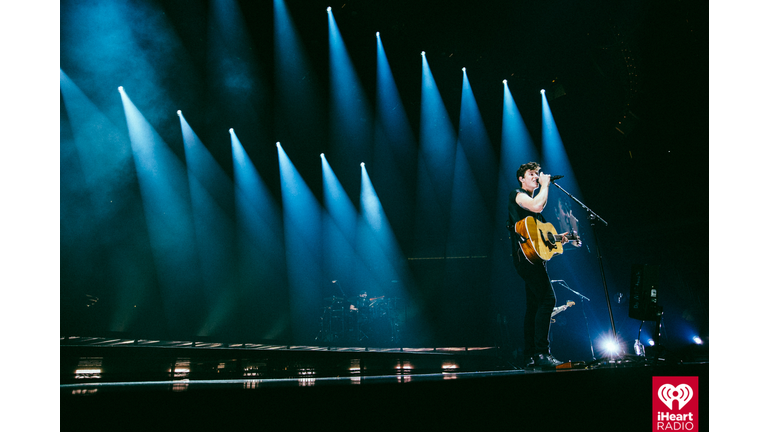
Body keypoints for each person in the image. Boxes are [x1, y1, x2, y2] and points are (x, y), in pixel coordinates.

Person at [507, 162, 576, 369]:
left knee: (534, 306)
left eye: (538, 174)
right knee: (549, 299)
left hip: (534, 259)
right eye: (531, 174)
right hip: (525, 258)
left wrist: (559, 239)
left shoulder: (536, 215)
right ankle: (542, 353)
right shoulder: (517, 194)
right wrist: (545, 185)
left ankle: (530, 356)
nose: (536, 177)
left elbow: (541, 238)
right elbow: (537, 204)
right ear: (521, 178)